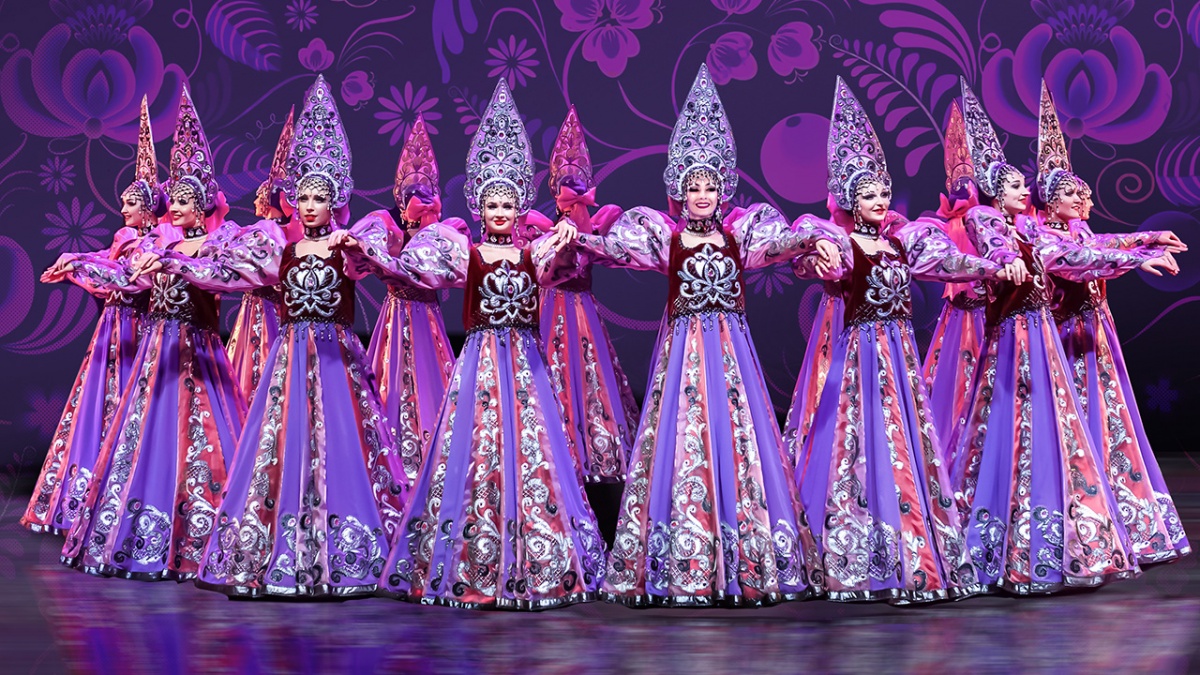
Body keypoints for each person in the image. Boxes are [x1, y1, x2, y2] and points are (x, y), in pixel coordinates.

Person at [572, 64, 837, 607]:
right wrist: (577, 239)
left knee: (739, 439)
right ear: (679, 190)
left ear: (723, 190)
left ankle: (749, 560)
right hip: (684, 354)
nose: (701, 195)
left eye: (710, 186)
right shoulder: (664, 237)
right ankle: (684, 560)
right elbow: (615, 249)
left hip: (731, 354)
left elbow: (784, 242)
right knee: (682, 438)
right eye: (692, 187)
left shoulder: (742, 233)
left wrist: (813, 241)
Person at [374, 79, 606, 609]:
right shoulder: (465, 251)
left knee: (533, 450)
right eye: (492, 202)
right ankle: (467, 557)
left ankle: (541, 559)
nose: (500, 211)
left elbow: (567, 258)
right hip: (480, 363)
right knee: (472, 449)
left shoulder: (533, 253)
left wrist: (571, 237)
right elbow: (412, 268)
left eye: (508, 202)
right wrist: (371, 257)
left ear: (519, 205)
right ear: (480, 205)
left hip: (523, 366)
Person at [793, 79, 1012, 603]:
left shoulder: (901, 240)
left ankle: (915, 547)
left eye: (882, 193)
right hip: (860, 356)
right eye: (867, 195)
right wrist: (814, 253)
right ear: (851, 201)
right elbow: (809, 257)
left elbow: (947, 263)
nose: (878, 201)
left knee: (904, 442)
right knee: (856, 441)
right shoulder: (841, 241)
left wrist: (990, 267)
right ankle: (853, 549)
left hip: (898, 355)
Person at [192, 75, 409, 597]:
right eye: (304, 196)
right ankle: (277, 548)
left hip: (336, 358)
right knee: (283, 442)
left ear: (335, 201)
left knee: (344, 442)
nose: (310, 205)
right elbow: (226, 273)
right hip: (291, 357)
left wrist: (356, 245)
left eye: (320, 197)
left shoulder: (350, 245)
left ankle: (351, 549)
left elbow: (388, 251)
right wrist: (176, 263)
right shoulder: (281, 249)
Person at [948, 78, 1147, 593]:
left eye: (1024, 185)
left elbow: (1078, 254)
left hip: (1040, 337)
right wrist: (1003, 261)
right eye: (1015, 186)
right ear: (997, 193)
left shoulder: (1032, 231)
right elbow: (995, 247)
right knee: (1012, 429)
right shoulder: (987, 221)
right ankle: (1004, 540)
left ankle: (1060, 535)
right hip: (1015, 338)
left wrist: (1139, 249)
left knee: (1051, 429)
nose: (1024, 192)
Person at [60, 87, 248, 581]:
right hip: (157, 350)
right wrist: (78, 267)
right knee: (145, 435)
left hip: (196, 349)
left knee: (200, 435)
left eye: (186, 200)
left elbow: (223, 278)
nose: (177, 206)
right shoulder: (159, 243)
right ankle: (139, 527)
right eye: (175, 199)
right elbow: (127, 280)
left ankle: (201, 531)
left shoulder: (219, 242)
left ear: (203, 206)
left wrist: (176, 263)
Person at [1035, 81, 1190, 565]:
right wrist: (1138, 258)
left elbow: (1102, 243)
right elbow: (1083, 260)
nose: (1080, 199)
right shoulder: (1041, 238)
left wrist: (1149, 238)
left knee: (1110, 421)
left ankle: (1125, 516)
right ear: (1048, 200)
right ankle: (1082, 517)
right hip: (1067, 342)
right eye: (1068, 193)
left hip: (1097, 337)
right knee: (1077, 424)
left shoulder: (1079, 230)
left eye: (1081, 192)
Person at [24, 96, 166, 535]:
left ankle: (124, 494)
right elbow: (106, 261)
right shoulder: (125, 237)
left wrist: (80, 268)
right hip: (113, 327)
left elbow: (125, 279)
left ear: (148, 208)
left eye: (130, 204)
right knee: (97, 404)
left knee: (128, 406)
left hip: (139, 330)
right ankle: (83, 497)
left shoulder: (158, 244)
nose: (123, 210)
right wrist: (75, 263)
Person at [340, 115, 467, 481]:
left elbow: (441, 269)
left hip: (426, 318)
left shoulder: (443, 233)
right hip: (393, 317)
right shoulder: (385, 227)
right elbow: (363, 254)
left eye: (424, 191)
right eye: (410, 191)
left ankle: (432, 462)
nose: (417, 196)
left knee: (430, 384)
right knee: (387, 382)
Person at [539, 105, 639, 484]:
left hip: (582, 310)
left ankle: (591, 454)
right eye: (567, 186)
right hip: (550, 307)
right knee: (552, 374)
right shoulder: (542, 229)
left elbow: (609, 251)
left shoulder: (596, 223)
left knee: (588, 377)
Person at [224, 106, 293, 407]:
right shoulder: (265, 231)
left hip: (269, 309)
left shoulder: (268, 231)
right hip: (257, 307)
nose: (255, 198)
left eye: (261, 194)